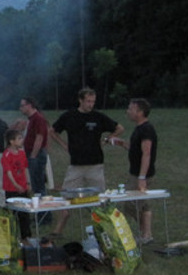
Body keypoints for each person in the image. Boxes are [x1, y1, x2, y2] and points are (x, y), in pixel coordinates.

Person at [49, 88, 123, 236]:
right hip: (76, 165)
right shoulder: (69, 116)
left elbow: (119, 128)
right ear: (80, 100)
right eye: (88, 101)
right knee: (66, 197)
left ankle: (106, 230)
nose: (91, 104)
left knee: (101, 199)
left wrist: (107, 139)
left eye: (93, 102)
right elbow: (52, 131)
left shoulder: (98, 117)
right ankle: (58, 230)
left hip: (95, 165)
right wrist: (64, 145)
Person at [123, 98, 158, 243]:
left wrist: (142, 177)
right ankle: (146, 235)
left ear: (140, 112)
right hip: (136, 173)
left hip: (141, 175)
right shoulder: (139, 128)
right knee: (143, 204)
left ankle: (144, 232)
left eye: (131, 109)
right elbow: (136, 149)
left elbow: (146, 153)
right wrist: (121, 144)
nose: (128, 111)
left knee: (130, 204)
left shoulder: (146, 129)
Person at [1, 129, 33, 236]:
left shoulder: (22, 153)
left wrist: (28, 183)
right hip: (12, 189)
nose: (22, 140)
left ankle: (26, 236)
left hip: (23, 187)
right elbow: (8, 172)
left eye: (21, 138)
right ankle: (13, 236)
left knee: (25, 214)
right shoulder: (6, 155)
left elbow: (25, 168)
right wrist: (16, 185)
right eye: (19, 138)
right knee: (13, 214)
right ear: (11, 141)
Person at [19, 97, 51, 197]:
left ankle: (43, 205)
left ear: (29, 105)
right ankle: (39, 203)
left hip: (36, 154)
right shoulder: (31, 119)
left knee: (38, 183)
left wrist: (33, 155)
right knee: (35, 183)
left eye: (22, 106)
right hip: (32, 154)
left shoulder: (38, 118)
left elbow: (39, 137)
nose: (20, 108)